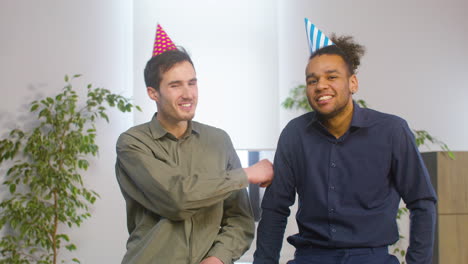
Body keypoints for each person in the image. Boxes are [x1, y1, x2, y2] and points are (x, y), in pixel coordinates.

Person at [253, 33, 437, 264]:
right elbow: (275, 208)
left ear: (353, 83)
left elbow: (422, 202)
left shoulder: (392, 131)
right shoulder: (295, 134)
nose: (320, 85)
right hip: (311, 257)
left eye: (331, 76)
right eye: (312, 80)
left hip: (371, 258)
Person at [115, 25, 273, 264]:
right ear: (153, 93)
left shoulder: (218, 141)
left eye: (192, 82)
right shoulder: (133, 144)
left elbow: (239, 219)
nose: (188, 94)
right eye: (175, 85)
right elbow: (176, 199)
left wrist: (217, 258)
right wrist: (246, 174)